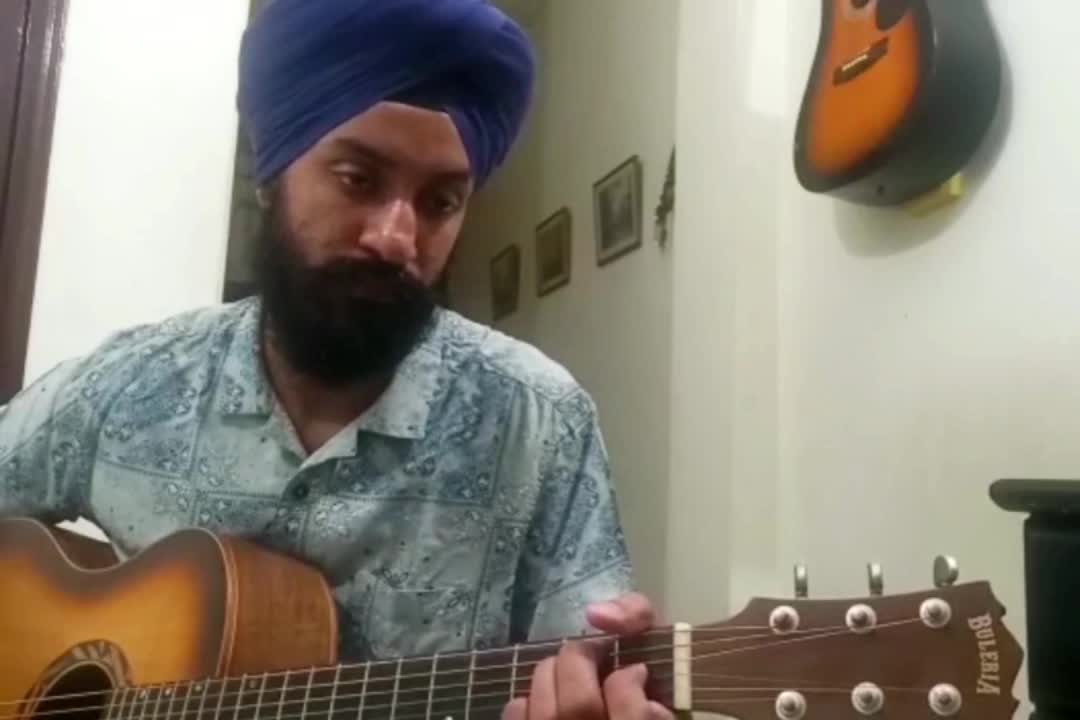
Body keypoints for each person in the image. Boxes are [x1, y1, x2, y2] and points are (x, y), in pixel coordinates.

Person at [0, 2, 669, 720]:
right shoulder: (132, 381)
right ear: (271, 175)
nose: (396, 237)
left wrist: (602, 698)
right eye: (358, 179)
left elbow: (585, 668)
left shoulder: (540, 420)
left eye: (441, 201)